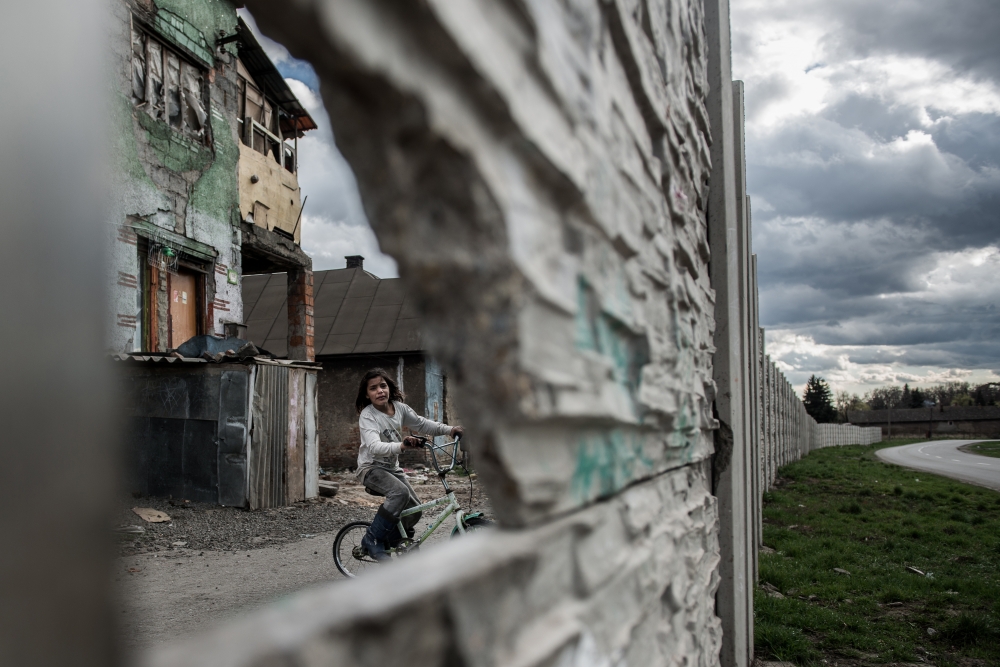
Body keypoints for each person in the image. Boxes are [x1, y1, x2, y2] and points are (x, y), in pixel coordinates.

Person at [355, 368, 463, 562]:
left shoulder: (399, 408)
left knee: (414, 510)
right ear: (366, 394)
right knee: (399, 493)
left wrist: (450, 429)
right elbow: (373, 446)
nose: (380, 391)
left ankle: (395, 539)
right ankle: (372, 539)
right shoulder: (368, 415)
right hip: (371, 468)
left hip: (391, 469)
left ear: (389, 388)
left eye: (383, 385)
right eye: (373, 388)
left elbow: (422, 424)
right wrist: (402, 445)